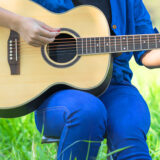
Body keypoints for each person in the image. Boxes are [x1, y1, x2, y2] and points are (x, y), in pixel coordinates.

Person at [0, 0, 160, 159]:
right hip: (57, 95)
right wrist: (19, 23)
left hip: (116, 86)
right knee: (87, 112)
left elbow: (147, 52)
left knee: (129, 125)